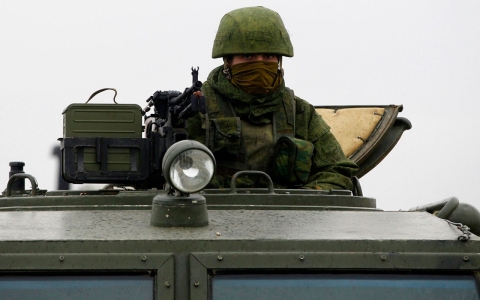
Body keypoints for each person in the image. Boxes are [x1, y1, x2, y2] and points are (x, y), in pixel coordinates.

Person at [188, 6, 358, 190]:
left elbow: (338, 171)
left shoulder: (299, 112)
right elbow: (179, 172)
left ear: (279, 60)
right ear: (228, 61)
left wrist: (299, 200)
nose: (259, 63)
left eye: (268, 56)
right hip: (216, 215)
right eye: (247, 56)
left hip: (286, 216)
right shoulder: (197, 109)